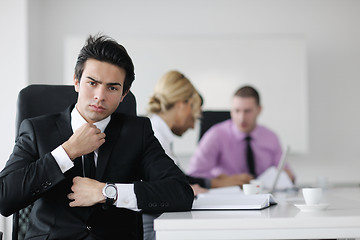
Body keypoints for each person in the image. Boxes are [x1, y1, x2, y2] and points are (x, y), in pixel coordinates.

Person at [0, 35, 193, 240]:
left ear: (124, 94)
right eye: (92, 83)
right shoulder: (37, 130)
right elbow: (5, 198)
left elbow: (180, 193)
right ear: (76, 81)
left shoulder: (137, 132)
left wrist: (107, 192)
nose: (100, 96)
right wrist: (67, 151)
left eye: (112, 88)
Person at [187, 85, 295, 183]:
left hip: (263, 195)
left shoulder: (271, 137)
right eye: (237, 111)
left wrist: (288, 176)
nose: (241, 118)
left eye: (247, 111)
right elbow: (194, 174)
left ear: (259, 110)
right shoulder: (216, 135)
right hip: (228, 196)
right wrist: (226, 179)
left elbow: (284, 172)